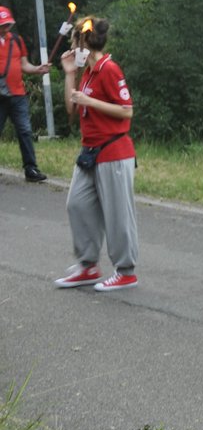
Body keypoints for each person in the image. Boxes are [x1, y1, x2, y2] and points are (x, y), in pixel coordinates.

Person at [52, 16, 139, 291]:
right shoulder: (87, 71)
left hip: (114, 151)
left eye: (75, 40)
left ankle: (126, 271)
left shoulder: (109, 69)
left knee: (117, 215)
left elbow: (127, 111)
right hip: (89, 151)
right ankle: (88, 266)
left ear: (85, 42)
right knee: (76, 204)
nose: (71, 45)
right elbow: (71, 109)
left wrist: (90, 100)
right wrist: (69, 74)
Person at [0, 4, 53, 182]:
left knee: (25, 130)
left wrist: (38, 69)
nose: (5, 28)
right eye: (2, 25)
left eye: (7, 24)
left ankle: (31, 169)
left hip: (17, 95)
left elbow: (24, 65)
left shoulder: (16, 40)